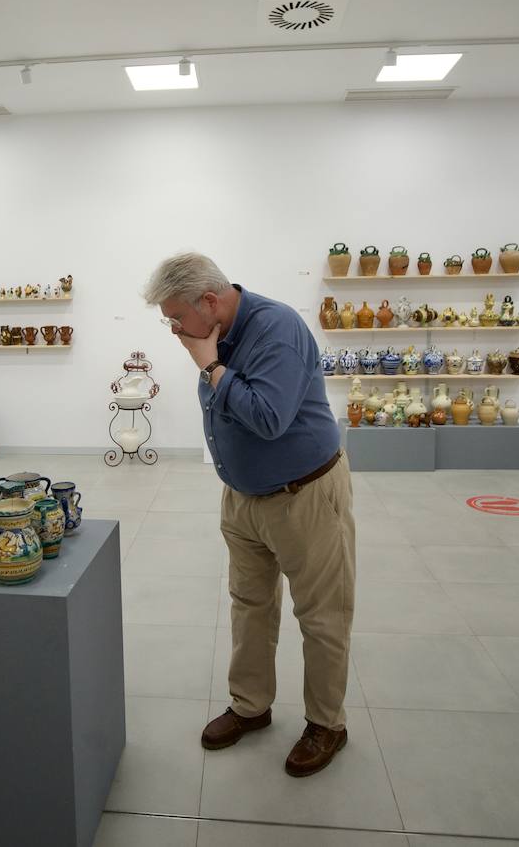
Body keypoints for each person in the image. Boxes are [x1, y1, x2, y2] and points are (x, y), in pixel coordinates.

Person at [143, 252, 356, 777]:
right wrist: (211, 362)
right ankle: (251, 705)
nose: (174, 330)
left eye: (176, 317)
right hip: (243, 499)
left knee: (321, 616)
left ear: (209, 302)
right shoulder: (214, 333)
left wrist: (211, 366)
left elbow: (267, 418)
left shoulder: (276, 329)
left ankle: (327, 724)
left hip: (304, 495)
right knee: (249, 606)